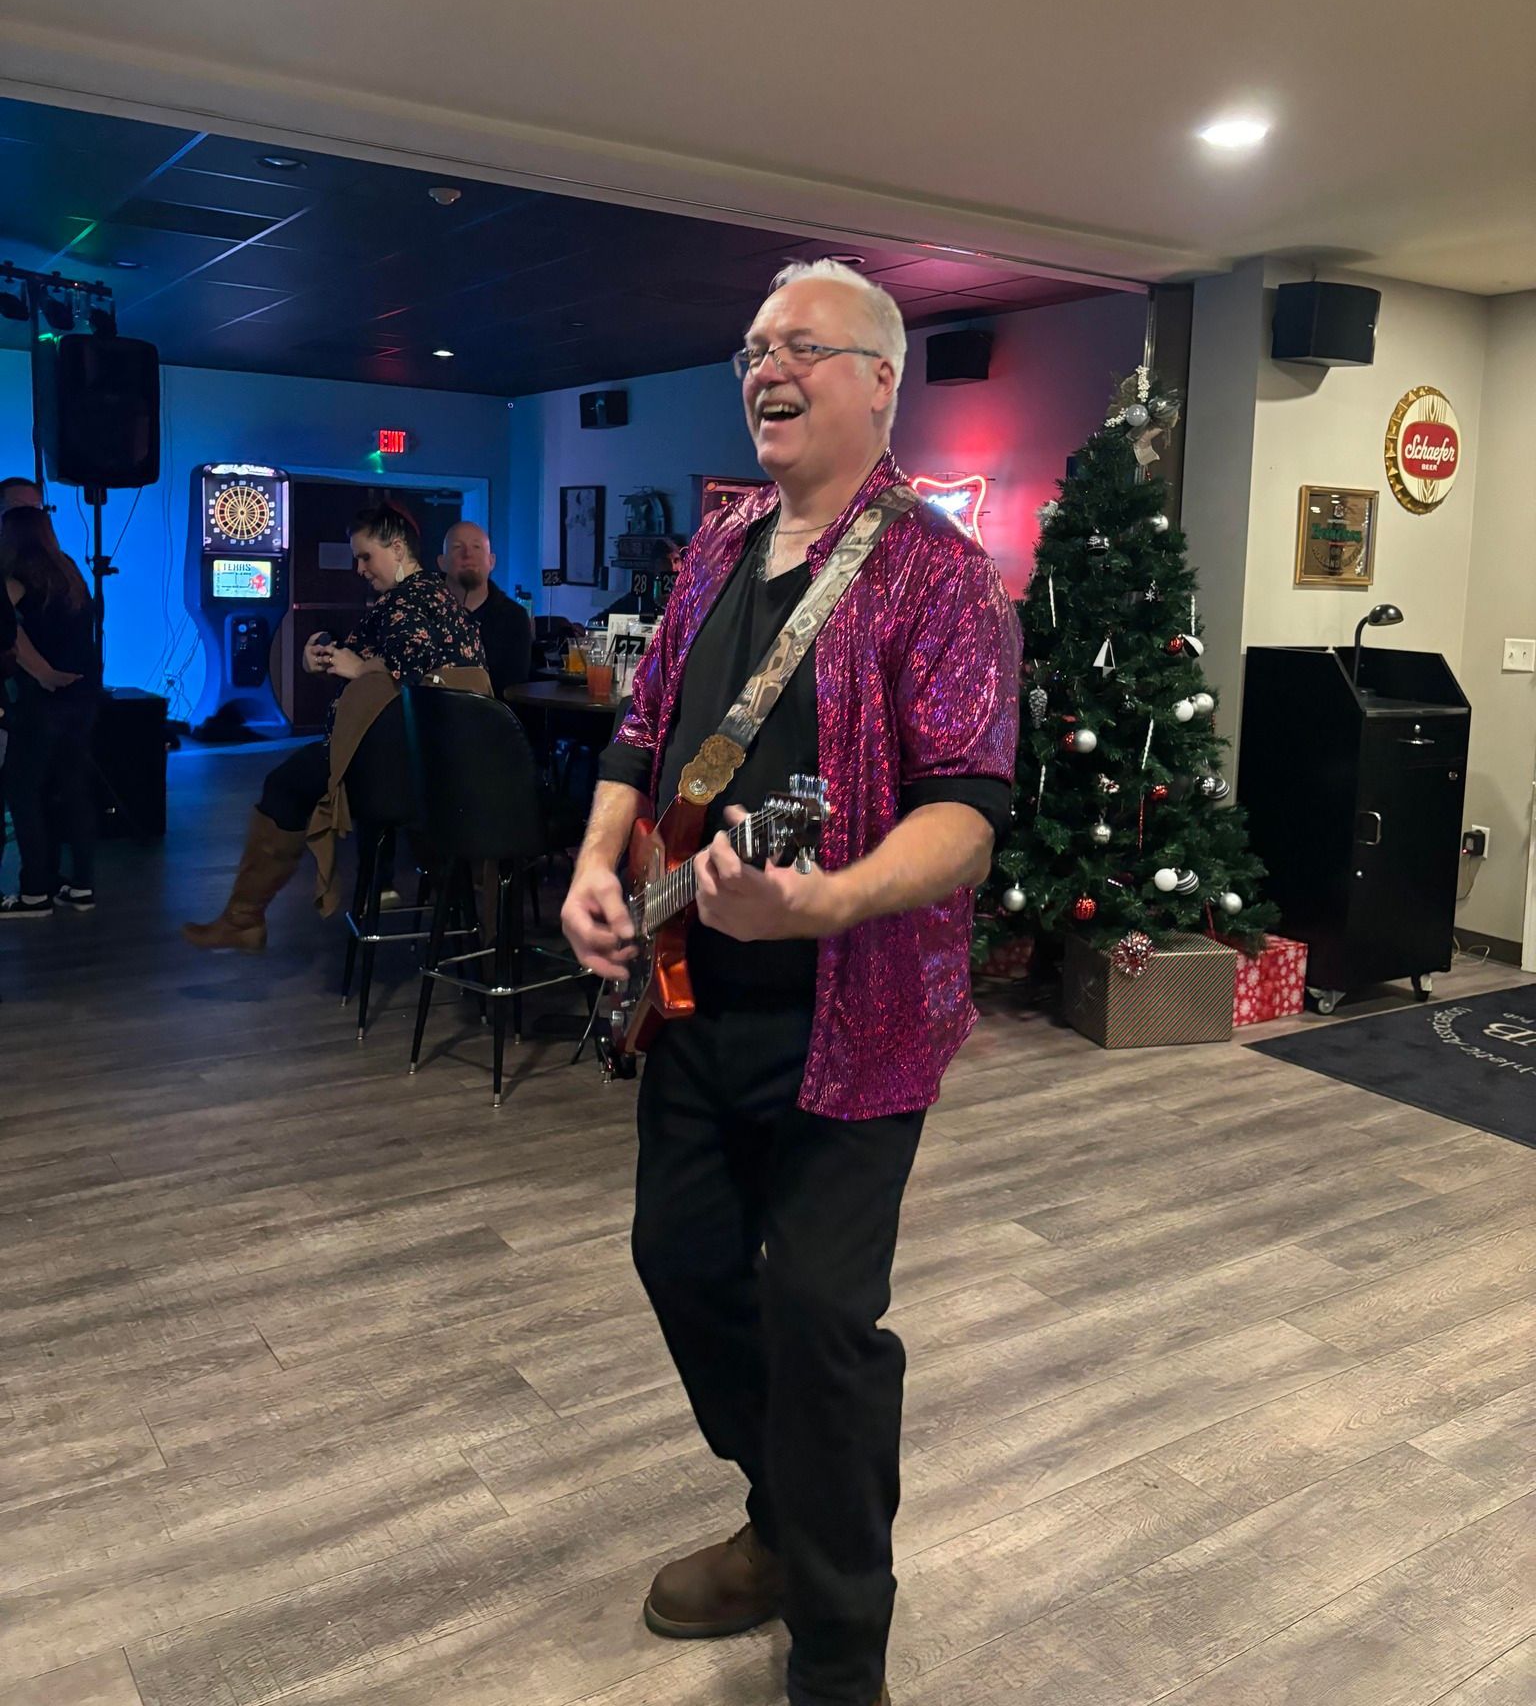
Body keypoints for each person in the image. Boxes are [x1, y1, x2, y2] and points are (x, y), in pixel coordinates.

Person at [561, 260, 1020, 1706]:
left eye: (802, 349)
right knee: (681, 1263)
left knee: (822, 1318)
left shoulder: (942, 576)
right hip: (689, 1003)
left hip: (855, 1027)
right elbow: (642, 733)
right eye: (754, 347)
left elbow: (967, 812)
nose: (766, 367)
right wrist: (594, 861)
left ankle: (838, 1651)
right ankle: (782, 1513)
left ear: (880, 381)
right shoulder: (712, 553)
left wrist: (824, 902)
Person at [182, 502, 488, 951]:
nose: (359, 568)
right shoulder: (436, 600)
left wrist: (359, 667)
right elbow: (392, 661)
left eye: (366, 557)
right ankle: (243, 917)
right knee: (291, 782)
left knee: (284, 786)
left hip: (400, 768)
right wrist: (324, 658)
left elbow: (413, 678)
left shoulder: (410, 602)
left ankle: (243, 917)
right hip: (444, 770)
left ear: (398, 548)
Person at [0, 506, 101, 918]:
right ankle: (81, 886)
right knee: (72, 791)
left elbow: (7, 633)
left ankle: (35, 892)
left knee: (22, 792)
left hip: (42, 702)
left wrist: (41, 673)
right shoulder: (70, 572)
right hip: (82, 698)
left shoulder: (15, 579)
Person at [438, 521, 532, 701]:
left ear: (492, 561)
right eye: (458, 547)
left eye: (477, 547)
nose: (468, 554)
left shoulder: (514, 618)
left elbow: (514, 689)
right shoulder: (424, 612)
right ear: (442, 562)